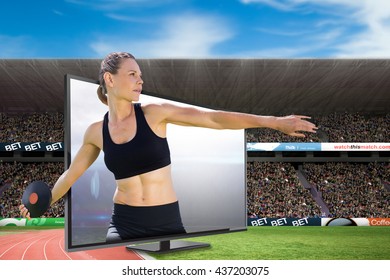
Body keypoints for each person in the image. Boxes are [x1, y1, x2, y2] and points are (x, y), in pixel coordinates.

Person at [20, 51, 318, 241]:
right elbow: (70, 175)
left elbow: (212, 119)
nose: (140, 80)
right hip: (124, 223)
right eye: (132, 74)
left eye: (141, 75)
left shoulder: (155, 113)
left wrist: (273, 121)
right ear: (110, 80)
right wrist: (41, 203)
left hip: (167, 220)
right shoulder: (96, 132)